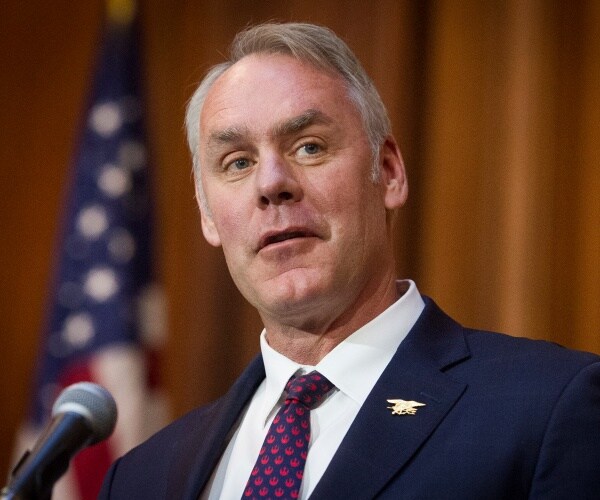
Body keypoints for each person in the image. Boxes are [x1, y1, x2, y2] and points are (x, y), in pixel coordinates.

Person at [99, 22, 600, 499]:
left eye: (309, 147)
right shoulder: (139, 479)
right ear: (208, 215)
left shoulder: (549, 409)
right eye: (238, 162)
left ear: (389, 172)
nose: (271, 183)